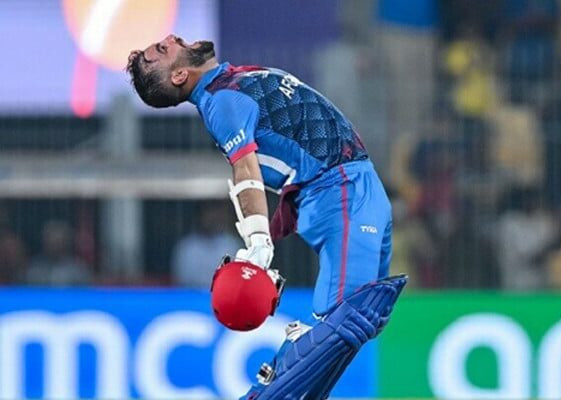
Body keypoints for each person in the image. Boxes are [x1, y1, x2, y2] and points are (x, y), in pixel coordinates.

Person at [126, 35, 404, 398]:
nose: (170, 38)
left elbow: (286, 152)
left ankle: (285, 372)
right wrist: (257, 240)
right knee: (349, 317)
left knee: (367, 319)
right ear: (179, 76)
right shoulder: (221, 103)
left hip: (357, 186)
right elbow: (245, 169)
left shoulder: (228, 81)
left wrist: (280, 216)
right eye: (163, 50)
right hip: (340, 193)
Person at [172, 202, 242, 288]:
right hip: (193, 298)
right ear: (199, 216)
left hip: (224, 297)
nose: (211, 218)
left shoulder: (231, 244)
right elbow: (180, 282)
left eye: (215, 213)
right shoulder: (186, 247)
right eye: (207, 213)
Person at [26, 220, 92, 286]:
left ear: (66, 242)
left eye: (58, 241)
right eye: (51, 241)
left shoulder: (77, 270)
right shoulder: (34, 269)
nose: (55, 245)